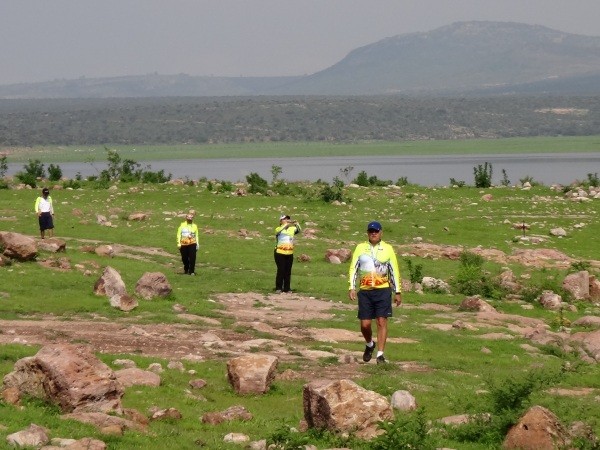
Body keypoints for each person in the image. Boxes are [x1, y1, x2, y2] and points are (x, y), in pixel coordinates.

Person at [348, 221, 402, 364]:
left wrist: (398, 291)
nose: (373, 233)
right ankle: (370, 344)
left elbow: (394, 270)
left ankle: (380, 354)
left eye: (376, 231)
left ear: (381, 233)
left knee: (381, 321)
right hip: (365, 291)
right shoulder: (360, 248)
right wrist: (352, 287)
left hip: (383, 290)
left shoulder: (388, 248)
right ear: (367, 233)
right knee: (365, 324)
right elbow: (353, 268)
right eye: (371, 231)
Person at [274, 214, 301, 293]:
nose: (287, 220)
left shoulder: (292, 229)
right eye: (284, 219)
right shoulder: (278, 229)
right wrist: (285, 224)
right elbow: (278, 231)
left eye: (288, 219)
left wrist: (296, 223)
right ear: (281, 221)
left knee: (288, 271)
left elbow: (299, 230)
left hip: (289, 253)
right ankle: (278, 288)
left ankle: (287, 288)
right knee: (281, 270)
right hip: (279, 252)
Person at [176, 211, 199, 275]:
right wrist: (178, 243)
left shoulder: (195, 226)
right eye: (188, 217)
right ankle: (186, 268)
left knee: (192, 257)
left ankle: (192, 271)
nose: (190, 218)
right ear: (186, 218)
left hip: (192, 243)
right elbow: (179, 234)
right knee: (184, 258)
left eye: (191, 217)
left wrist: (197, 244)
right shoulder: (182, 225)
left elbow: (196, 235)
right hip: (183, 244)